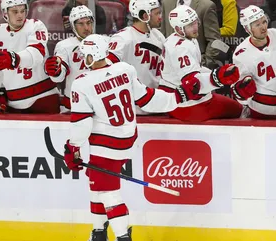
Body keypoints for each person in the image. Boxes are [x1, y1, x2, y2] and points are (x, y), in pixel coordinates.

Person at [63, 34, 200, 241]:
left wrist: (73, 146)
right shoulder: (125, 69)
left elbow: (82, 122)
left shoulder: (82, 83)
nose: (83, 59)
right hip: (127, 140)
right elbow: (147, 99)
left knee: (107, 191)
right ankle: (99, 232)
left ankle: (123, 236)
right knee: (96, 184)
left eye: (86, 55)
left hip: (105, 144)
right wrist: (177, 97)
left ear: (92, 55)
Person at [160, 5, 248, 122]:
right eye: (190, 25)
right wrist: (218, 77)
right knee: (240, 109)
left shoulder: (182, 39)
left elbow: (195, 70)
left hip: (176, 99)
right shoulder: (181, 48)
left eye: (195, 22)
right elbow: (193, 84)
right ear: (178, 28)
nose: (195, 27)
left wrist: (215, 74)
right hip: (186, 105)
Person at [232, 5, 276, 119]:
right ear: (247, 29)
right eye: (257, 24)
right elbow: (242, 96)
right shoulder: (241, 54)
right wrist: (242, 92)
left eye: (264, 22)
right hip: (263, 109)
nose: (263, 27)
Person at [0, 0, 60, 114]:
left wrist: (13, 59)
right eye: (15, 11)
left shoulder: (36, 26)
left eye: (23, 11)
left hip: (42, 98)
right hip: (13, 103)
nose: (20, 15)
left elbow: (36, 54)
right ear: (5, 13)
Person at [107, 0, 165, 115]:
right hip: (133, 109)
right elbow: (106, 72)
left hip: (156, 104)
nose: (160, 17)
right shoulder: (122, 38)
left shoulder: (158, 36)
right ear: (145, 15)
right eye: (157, 13)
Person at [45, 5, 94, 113]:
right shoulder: (64, 46)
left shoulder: (104, 42)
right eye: (81, 24)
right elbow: (58, 78)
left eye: (89, 23)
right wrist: (55, 71)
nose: (86, 28)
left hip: (100, 104)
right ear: (73, 26)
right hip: (73, 107)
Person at [161, 0, 221, 68]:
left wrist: (202, 64)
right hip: (171, 69)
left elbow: (214, 40)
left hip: (197, 67)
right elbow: (163, 33)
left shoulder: (206, 5)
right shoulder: (166, 3)